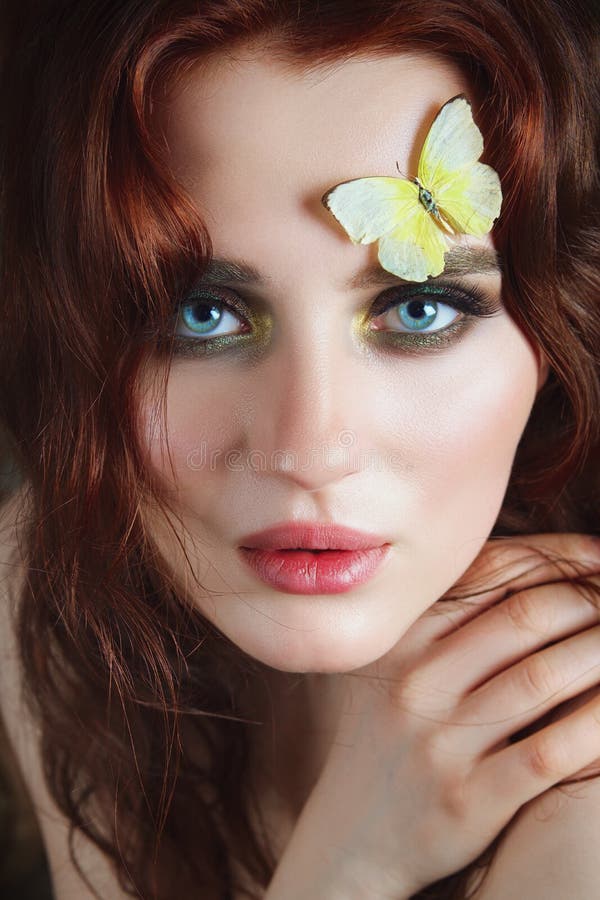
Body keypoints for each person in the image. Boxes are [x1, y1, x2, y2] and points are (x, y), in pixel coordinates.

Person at [1, 1, 599, 898]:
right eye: (197, 314)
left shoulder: (580, 819)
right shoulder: (51, 586)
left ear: (554, 339)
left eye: (418, 307)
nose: (310, 450)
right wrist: (352, 865)